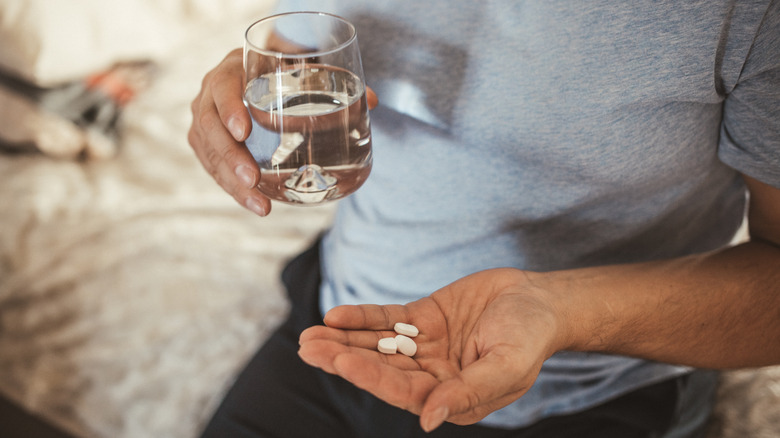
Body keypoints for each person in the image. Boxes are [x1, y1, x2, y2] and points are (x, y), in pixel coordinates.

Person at [188, 1, 780, 437]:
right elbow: (300, 48)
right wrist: (245, 84)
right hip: (340, 322)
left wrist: (559, 311)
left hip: (586, 395)